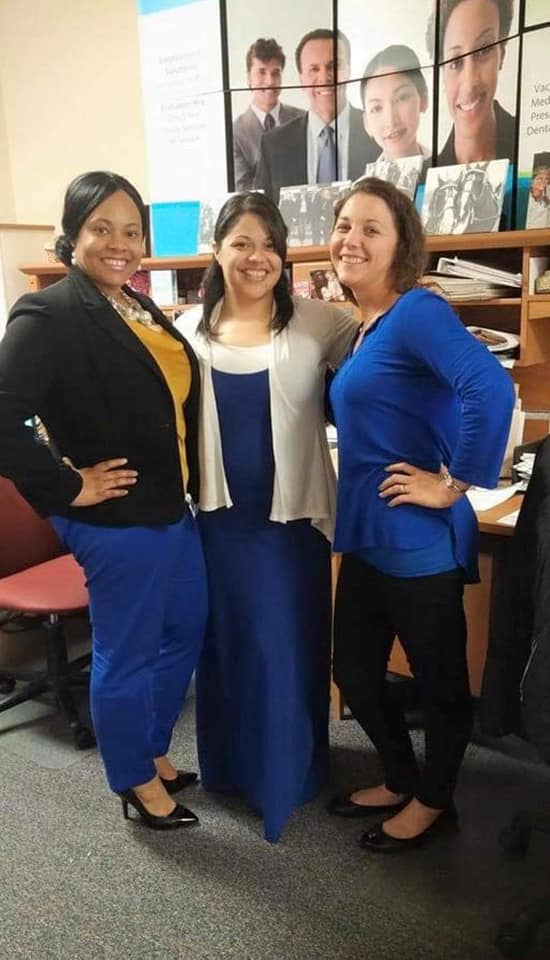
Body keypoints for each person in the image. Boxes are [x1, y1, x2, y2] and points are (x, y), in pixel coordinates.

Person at [0, 171, 207, 830]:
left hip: (170, 507)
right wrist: (69, 485)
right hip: (115, 520)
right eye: (102, 228)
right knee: (129, 652)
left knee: (186, 629)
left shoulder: (134, 303)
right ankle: (134, 780)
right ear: (73, 235)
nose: (119, 243)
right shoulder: (49, 313)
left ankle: (148, 748)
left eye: (131, 231)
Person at [326, 178, 515, 852]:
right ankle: (402, 777)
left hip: (417, 538)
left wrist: (452, 483)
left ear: (401, 244)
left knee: (438, 684)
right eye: (344, 225)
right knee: (354, 672)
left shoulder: (416, 312)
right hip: (368, 533)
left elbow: (490, 387)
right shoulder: (365, 326)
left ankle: (435, 801)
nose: (351, 239)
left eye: (371, 228)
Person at [176, 191, 358, 843]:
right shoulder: (186, 331)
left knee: (284, 650)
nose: (257, 257)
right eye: (242, 243)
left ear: (284, 255)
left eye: (270, 245)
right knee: (229, 649)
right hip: (219, 527)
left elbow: (384, 366)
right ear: (217, 251)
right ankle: (230, 770)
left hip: (292, 530)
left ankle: (288, 776)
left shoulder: (321, 322)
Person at [255, 29, 379, 203]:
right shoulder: (273, 145)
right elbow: (262, 213)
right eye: (314, 69)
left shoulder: (379, 132)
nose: (324, 77)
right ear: (301, 79)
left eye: (333, 66)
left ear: (348, 70)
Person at [426, 0, 516, 165]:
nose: (469, 84)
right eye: (455, 62)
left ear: (501, 53)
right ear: (442, 73)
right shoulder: (423, 177)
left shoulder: (538, 145)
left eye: (484, 51)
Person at [232, 37, 304, 192]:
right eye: (262, 72)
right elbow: (242, 189)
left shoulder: (302, 119)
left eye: (275, 73)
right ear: (249, 78)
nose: (270, 81)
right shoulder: (235, 133)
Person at [360, 45, 431, 164]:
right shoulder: (357, 178)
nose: (391, 120)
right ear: (366, 123)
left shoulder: (447, 169)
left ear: (424, 99)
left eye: (401, 98)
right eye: (376, 108)